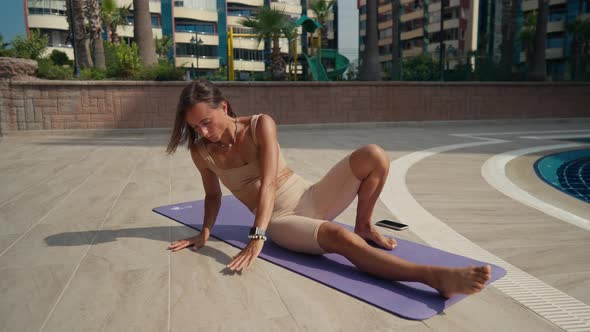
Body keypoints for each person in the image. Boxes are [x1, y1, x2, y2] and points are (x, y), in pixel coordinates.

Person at [166, 80, 491, 298]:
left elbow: (268, 181)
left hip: (308, 194)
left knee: (373, 155)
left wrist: (255, 239)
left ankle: (365, 224)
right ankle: (433, 277)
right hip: (280, 219)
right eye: (195, 126)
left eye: (206, 121)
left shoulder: (260, 124)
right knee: (339, 238)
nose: (203, 131)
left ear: (223, 107)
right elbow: (213, 195)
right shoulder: (202, 152)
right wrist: (206, 232)